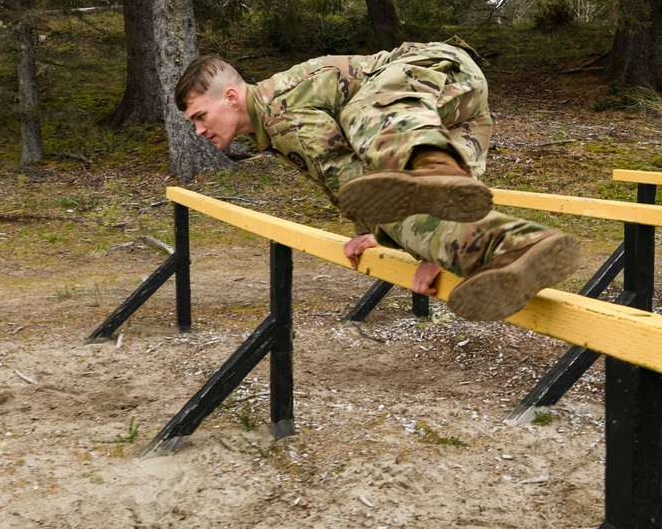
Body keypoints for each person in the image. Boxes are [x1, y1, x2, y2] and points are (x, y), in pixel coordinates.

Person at [173, 39, 581, 323]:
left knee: (362, 114)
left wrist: (375, 231)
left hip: (430, 73)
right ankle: (521, 248)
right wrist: (426, 247)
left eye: (199, 118)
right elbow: (366, 185)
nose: (198, 133)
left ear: (229, 97)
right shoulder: (272, 123)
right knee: (412, 214)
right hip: (454, 114)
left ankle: (434, 171)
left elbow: (343, 173)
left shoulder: (279, 109)